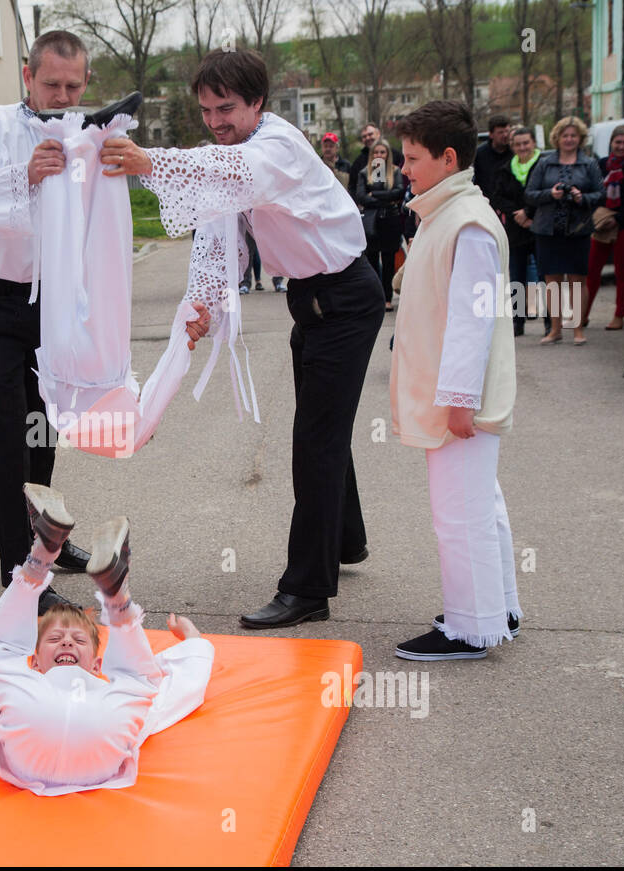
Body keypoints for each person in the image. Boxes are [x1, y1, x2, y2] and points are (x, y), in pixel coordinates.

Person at [102, 49, 382, 629]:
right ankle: (344, 540)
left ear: (259, 101)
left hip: (345, 300)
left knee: (315, 442)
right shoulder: (238, 148)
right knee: (323, 427)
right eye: (205, 109)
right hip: (314, 304)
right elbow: (221, 236)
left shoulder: (273, 150)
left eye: (226, 108)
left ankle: (307, 590)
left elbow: (228, 176)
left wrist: (147, 161)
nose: (215, 121)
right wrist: (203, 305)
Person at [0, 485, 215, 796]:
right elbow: (180, 692)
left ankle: (40, 561)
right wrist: (192, 644)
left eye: (78, 641)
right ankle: (117, 603)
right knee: (141, 682)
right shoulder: (44, 688)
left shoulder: (6, 697)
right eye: (56, 639)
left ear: (98, 665)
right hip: (97, 749)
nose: (67, 644)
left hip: (47, 744)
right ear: (34, 663)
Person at [0, 29, 97, 609]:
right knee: (10, 437)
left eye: (72, 85)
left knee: (45, 428)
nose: (62, 95)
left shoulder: (87, 135)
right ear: (28, 78)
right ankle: (23, 579)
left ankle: (47, 543)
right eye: (51, 83)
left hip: (46, 303)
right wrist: (26, 175)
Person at [390, 100, 521, 661]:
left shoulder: (467, 223)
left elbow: (473, 323)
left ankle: (471, 628)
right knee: (478, 505)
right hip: (453, 397)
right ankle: (498, 608)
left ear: (447, 159)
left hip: (459, 404)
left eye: (412, 158)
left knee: (459, 513)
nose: (403, 168)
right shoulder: (449, 213)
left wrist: (460, 402)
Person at [524, 116, 602, 345]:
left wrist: (581, 197)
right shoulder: (544, 163)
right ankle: (555, 329)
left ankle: (578, 329)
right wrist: (551, 194)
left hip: (578, 230)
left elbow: (600, 194)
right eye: (565, 135)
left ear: (580, 139)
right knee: (552, 282)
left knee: (578, 281)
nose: (569, 139)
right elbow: (529, 194)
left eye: (573, 135)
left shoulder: (589, 164)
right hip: (548, 230)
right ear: (557, 138)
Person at [584, 124, 624, 329]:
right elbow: (594, 190)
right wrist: (599, 215)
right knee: (591, 270)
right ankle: (583, 314)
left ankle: (619, 315)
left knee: (622, 272)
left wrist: (617, 218)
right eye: (618, 142)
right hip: (602, 224)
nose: (621, 146)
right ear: (611, 143)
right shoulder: (601, 164)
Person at [491, 126, 541, 337]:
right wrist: (517, 213)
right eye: (518, 144)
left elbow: (543, 192)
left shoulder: (543, 165)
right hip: (516, 228)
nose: (522, 147)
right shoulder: (505, 169)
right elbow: (498, 196)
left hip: (539, 226)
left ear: (533, 143)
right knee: (517, 278)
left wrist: (529, 212)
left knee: (545, 277)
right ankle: (518, 322)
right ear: (512, 146)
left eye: (526, 143)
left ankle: (551, 323)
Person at [355, 140, 407, 312]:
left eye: (382, 152)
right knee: (371, 262)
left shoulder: (395, 171)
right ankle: (373, 298)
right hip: (372, 222)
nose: (379, 155)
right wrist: (386, 198)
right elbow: (361, 196)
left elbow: (399, 191)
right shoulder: (364, 173)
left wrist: (375, 194)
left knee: (389, 261)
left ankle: (387, 298)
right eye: (376, 152)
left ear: (387, 154)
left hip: (390, 221)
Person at [472, 114, 513, 202]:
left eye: (507, 131)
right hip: (486, 201)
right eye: (500, 132)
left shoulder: (514, 152)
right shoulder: (480, 154)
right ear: (491, 135)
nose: (505, 135)